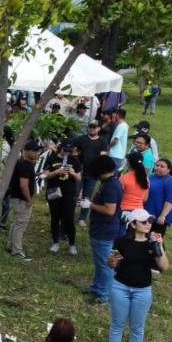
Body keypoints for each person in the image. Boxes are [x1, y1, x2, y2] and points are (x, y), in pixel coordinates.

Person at [103, 209, 170, 342]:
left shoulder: (153, 243)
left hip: (142, 290)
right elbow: (112, 264)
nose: (148, 224)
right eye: (143, 221)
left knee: (137, 327)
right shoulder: (121, 242)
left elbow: (164, 267)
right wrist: (111, 261)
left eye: (149, 221)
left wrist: (159, 245)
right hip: (120, 286)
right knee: (117, 323)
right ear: (133, 224)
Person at [83, 156, 123, 305]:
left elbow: (110, 210)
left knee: (105, 264)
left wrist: (90, 205)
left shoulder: (111, 186)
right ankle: (96, 287)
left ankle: (104, 294)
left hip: (104, 230)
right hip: (100, 228)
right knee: (99, 262)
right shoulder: (107, 182)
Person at [43, 140, 81, 254]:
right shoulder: (52, 158)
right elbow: (45, 175)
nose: (67, 153)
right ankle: (55, 242)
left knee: (69, 219)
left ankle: (72, 244)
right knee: (55, 218)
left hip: (69, 193)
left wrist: (73, 173)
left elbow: (79, 179)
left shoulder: (74, 160)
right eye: (65, 150)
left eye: (70, 151)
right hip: (54, 192)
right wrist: (56, 172)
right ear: (61, 148)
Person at [5, 141, 41, 261]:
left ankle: (10, 246)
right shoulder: (26, 166)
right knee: (20, 225)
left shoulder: (21, 164)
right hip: (22, 200)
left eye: (37, 151)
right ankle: (17, 251)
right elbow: (23, 185)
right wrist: (29, 199)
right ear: (26, 151)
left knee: (16, 223)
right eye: (34, 151)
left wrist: (38, 174)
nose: (37, 153)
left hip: (16, 198)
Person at [73, 120, 109, 227]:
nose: (92, 128)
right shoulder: (80, 139)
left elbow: (103, 157)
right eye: (90, 126)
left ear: (99, 128)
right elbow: (73, 153)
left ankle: (82, 218)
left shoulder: (102, 142)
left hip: (93, 174)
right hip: (79, 171)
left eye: (94, 127)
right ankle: (69, 213)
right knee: (74, 193)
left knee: (87, 196)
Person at [145, 158, 172, 237]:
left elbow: (170, 201)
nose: (158, 168)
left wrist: (162, 216)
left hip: (159, 217)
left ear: (168, 170)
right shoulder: (151, 177)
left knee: (154, 239)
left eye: (162, 167)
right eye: (157, 165)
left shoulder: (171, 182)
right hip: (148, 214)